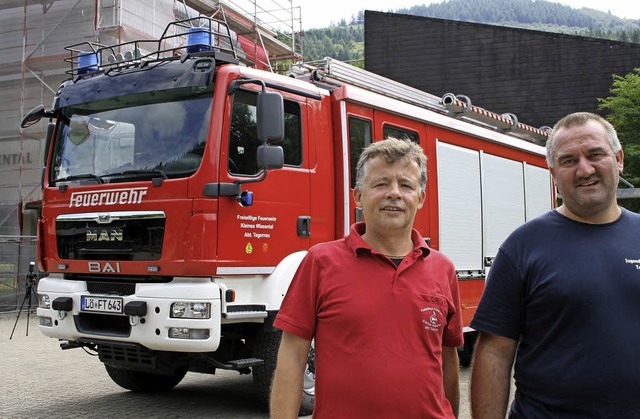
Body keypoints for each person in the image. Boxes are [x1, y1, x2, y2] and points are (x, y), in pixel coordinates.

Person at [269, 137, 464, 418]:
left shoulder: (443, 269)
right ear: (358, 195)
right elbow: (292, 355)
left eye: (406, 185)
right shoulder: (321, 262)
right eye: (381, 183)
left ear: (420, 198)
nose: (394, 193)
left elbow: (448, 360)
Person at [470, 112, 640, 418]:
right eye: (568, 160)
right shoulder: (522, 247)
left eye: (595, 154)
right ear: (554, 173)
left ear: (619, 159)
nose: (584, 169)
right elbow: (494, 352)